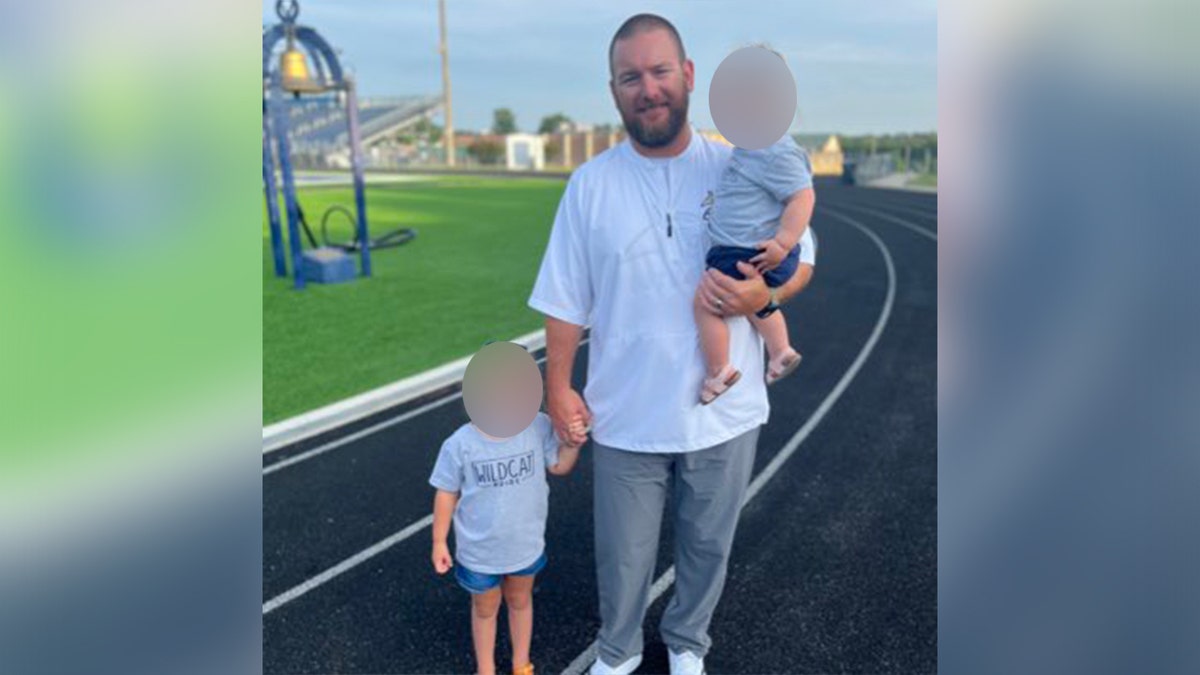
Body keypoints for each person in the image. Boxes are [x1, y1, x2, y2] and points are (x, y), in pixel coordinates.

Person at [527, 13, 816, 675]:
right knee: (622, 554)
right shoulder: (589, 186)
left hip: (725, 410)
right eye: (631, 77)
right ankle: (619, 649)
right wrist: (558, 387)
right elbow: (564, 301)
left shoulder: (740, 156)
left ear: (686, 77)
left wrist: (764, 299)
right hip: (627, 411)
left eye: (660, 72)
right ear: (614, 90)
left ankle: (688, 642)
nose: (647, 88)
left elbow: (804, 259)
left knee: (707, 542)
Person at [429, 402, 585, 675]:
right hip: (479, 553)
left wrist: (572, 444)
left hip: (525, 546)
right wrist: (439, 541)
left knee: (520, 601)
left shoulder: (537, 426)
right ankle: (485, 668)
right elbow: (446, 491)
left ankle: (521, 663)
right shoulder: (460, 444)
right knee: (485, 609)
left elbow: (559, 466)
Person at [695, 129, 815, 404]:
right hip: (749, 249)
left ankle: (718, 370)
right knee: (754, 301)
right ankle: (781, 351)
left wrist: (783, 244)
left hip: (745, 250)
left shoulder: (771, 150)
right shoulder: (753, 147)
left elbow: (803, 196)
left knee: (705, 305)